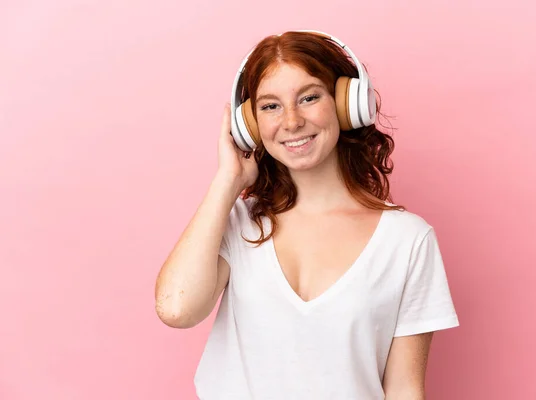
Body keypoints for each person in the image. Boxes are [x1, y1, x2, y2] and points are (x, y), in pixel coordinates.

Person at [154, 30, 460, 400]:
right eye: (270, 106)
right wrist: (228, 181)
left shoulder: (408, 241)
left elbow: (404, 390)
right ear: (249, 126)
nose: (292, 121)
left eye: (309, 97)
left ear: (347, 103)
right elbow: (176, 308)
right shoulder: (237, 221)